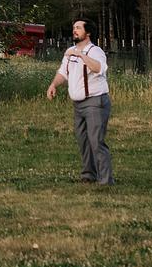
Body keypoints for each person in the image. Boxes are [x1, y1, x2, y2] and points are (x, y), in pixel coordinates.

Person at [45, 18, 114, 185]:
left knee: (96, 141)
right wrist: (54, 84)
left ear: (87, 32)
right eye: (73, 28)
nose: (74, 30)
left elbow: (98, 68)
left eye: (78, 28)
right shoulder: (70, 52)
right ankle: (88, 175)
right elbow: (63, 72)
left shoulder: (95, 51)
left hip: (95, 102)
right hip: (78, 105)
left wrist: (80, 54)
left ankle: (105, 180)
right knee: (83, 140)